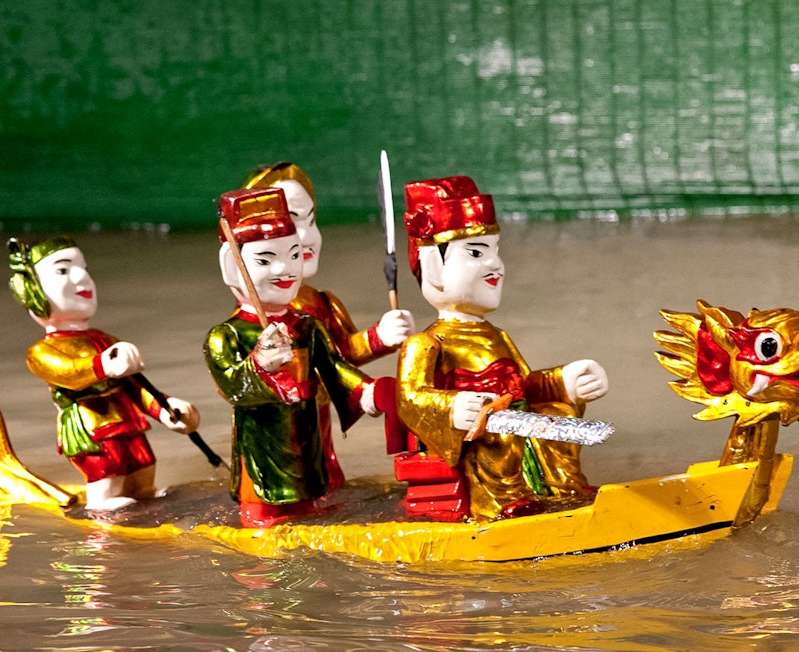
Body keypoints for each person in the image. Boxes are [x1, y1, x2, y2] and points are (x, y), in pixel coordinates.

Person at [396, 176, 609, 522]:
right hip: (479, 441)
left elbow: (524, 386)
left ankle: (562, 490)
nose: (495, 264)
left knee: (558, 414)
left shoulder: (500, 336)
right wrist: (452, 407)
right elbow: (410, 400)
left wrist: (564, 381)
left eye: (495, 251)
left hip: (516, 422)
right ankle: (501, 504)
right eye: (477, 253)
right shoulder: (425, 344)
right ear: (433, 266)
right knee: (498, 434)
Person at [204, 187, 379, 527]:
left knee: (309, 506)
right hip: (261, 447)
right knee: (265, 514)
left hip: (305, 438)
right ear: (232, 265)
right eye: (266, 260)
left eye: (294, 255)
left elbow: (335, 368)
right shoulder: (227, 335)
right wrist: (260, 365)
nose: (285, 269)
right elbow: (232, 387)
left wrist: (366, 392)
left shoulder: (307, 326)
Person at [242, 162, 414, 488]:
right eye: (291, 222)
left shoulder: (319, 302)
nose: (306, 237)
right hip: (274, 436)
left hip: (319, 427)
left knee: (326, 480)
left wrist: (381, 336)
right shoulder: (254, 320)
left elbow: (340, 353)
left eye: (310, 221)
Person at [8, 235, 199, 511]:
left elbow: (134, 386)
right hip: (91, 426)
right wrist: (104, 365)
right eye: (63, 270)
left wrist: (165, 409)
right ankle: (101, 508)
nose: (82, 279)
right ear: (31, 291)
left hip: (126, 418)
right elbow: (71, 373)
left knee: (141, 462)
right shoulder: (42, 352)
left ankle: (142, 494)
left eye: (83, 268)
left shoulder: (106, 339)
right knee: (107, 466)